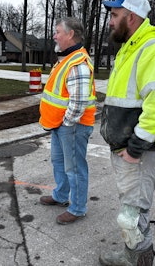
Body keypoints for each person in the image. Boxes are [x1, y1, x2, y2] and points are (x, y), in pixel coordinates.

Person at [99, 0, 155, 265]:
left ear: (130, 17)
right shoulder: (129, 50)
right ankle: (134, 256)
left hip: (138, 153)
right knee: (131, 211)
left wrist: (134, 149)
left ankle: (137, 260)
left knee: (132, 216)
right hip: (126, 150)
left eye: (114, 15)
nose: (110, 21)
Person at [38, 17, 96, 225]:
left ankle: (78, 208)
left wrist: (67, 123)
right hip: (59, 125)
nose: (55, 35)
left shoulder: (77, 62)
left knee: (75, 168)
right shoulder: (66, 59)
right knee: (59, 162)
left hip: (72, 126)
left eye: (58, 31)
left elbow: (79, 102)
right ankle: (61, 195)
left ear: (70, 34)